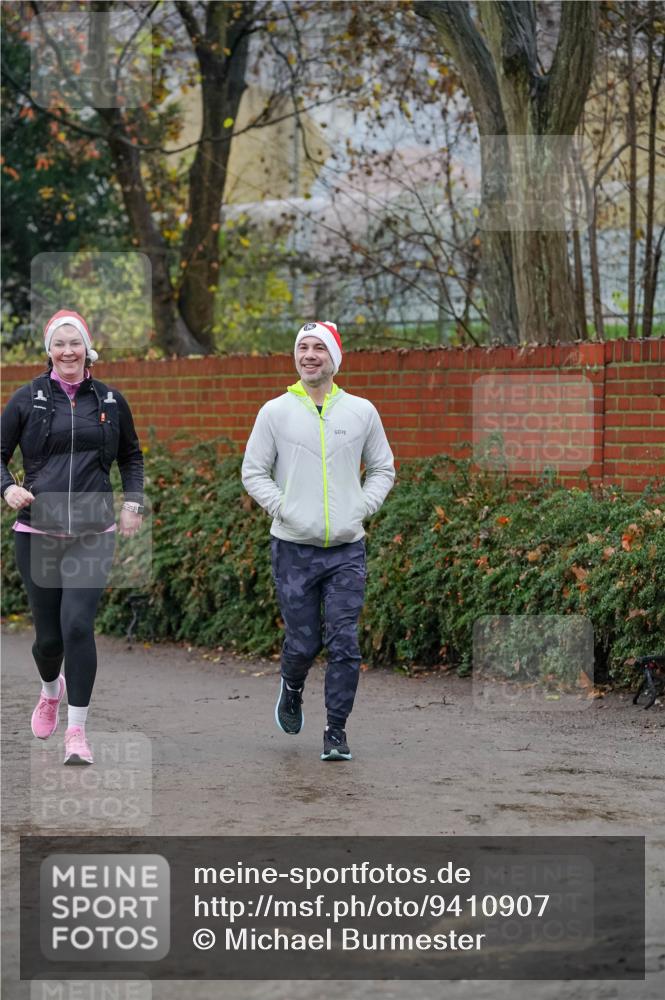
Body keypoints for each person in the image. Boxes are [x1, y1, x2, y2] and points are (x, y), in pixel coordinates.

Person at [241, 321, 395, 761]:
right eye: (303, 348)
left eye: (319, 348)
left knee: (344, 640)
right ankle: (291, 687)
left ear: (334, 358)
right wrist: (283, 507)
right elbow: (253, 472)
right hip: (293, 548)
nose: (310, 355)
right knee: (304, 642)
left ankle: (335, 732)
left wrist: (361, 507)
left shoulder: (361, 411)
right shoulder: (275, 412)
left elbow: (383, 468)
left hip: (347, 548)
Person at [1, 310, 144, 765]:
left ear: (87, 349)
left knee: (78, 626)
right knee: (48, 640)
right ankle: (50, 691)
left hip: (92, 531)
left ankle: (77, 732)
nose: (68, 351)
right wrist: (8, 487)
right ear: (49, 351)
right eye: (59, 344)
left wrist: (132, 504)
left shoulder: (111, 401)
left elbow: (132, 457)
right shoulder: (27, 399)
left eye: (75, 343)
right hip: (37, 532)